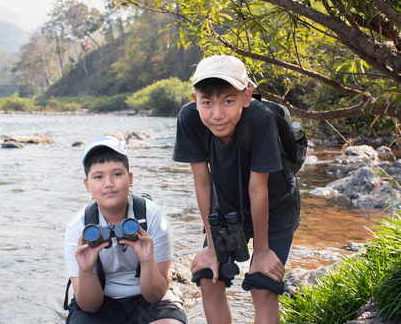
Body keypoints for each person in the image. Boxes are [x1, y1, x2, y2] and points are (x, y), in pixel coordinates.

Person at [172, 55, 301, 323]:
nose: (217, 114)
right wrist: (209, 249)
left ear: (246, 97)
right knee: (209, 279)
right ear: (195, 100)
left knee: (263, 286)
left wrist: (262, 252)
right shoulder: (189, 119)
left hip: (276, 207)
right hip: (226, 208)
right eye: (207, 102)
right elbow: (202, 181)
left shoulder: (260, 118)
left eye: (228, 101)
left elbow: (258, 188)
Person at [64, 136, 188, 324]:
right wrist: (87, 270)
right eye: (98, 177)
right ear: (87, 185)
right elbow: (90, 306)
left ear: (130, 179)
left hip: (146, 298)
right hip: (102, 300)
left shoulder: (151, 215)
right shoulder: (78, 227)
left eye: (116, 174)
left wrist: (147, 261)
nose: (108, 184)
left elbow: (156, 295)